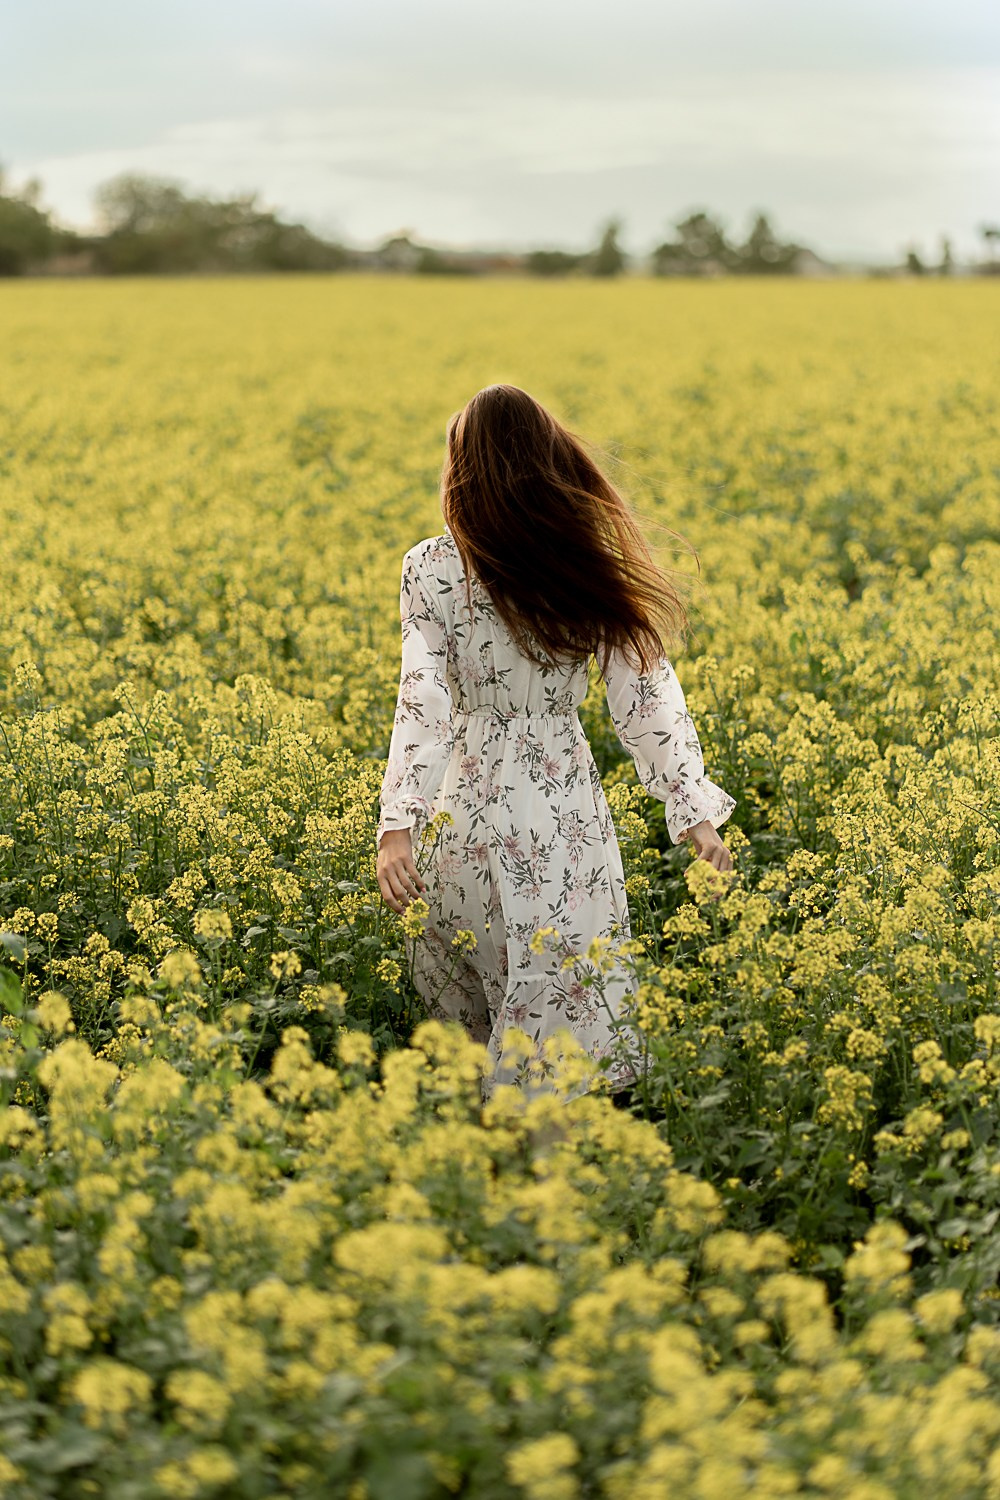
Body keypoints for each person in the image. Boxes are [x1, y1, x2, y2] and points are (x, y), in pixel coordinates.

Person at [376, 384, 736, 1102]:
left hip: (459, 827)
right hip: (559, 826)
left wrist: (397, 827)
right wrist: (693, 812)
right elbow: (645, 698)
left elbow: (425, 700)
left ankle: (479, 1167)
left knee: (469, 1042)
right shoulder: (580, 559)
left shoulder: (430, 567)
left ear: (462, 470)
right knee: (555, 1041)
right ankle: (546, 1166)